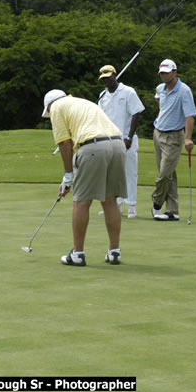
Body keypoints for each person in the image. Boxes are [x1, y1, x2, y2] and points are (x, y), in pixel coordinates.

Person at [42, 89, 127, 266]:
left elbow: (65, 144)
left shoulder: (56, 107)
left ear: (49, 106)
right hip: (118, 146)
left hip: (93, 148)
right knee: (110, 200)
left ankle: (78, 254)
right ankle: (114, 252)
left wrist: (68, 176)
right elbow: (72, 143)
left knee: (81, 201)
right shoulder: (82, 103)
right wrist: (69, 176)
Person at [151, 59, 196, 221]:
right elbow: (160, 103)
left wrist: (188, 138)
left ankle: (156, 203)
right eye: (162, 73)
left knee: (164, 175)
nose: (164, 75)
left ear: (175, 72)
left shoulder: (184, 91)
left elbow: (190, 115)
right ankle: (172, 211)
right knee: (169, 174)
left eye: (167, 72)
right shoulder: (160, 89)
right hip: (158, 134)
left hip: (174, 137)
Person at [97, 65, 145, 218]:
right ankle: (115, 204)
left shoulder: (128, 92)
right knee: (112, 174)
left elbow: (136, 113)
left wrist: (129, 137)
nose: (106, 80)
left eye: (109, 76)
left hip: (126, 140)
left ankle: (131, 206)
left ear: (115, 75)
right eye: (104, 78)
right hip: (109, 141)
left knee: (130, 173)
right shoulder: (102, 96)